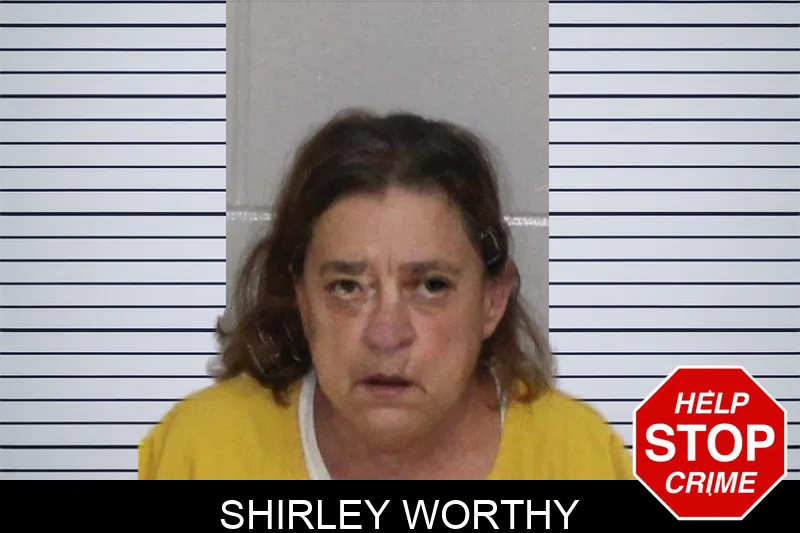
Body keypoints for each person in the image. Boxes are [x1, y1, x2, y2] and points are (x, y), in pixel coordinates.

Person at [138, 108, 633, 480]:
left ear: (492, 301)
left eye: (432, 286)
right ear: (303, 300)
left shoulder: (578, 459)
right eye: (347, 287)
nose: (386, 334)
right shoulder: (199, 451)